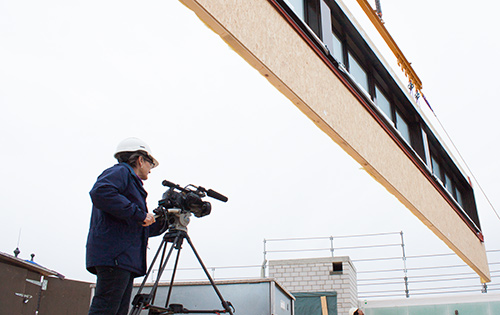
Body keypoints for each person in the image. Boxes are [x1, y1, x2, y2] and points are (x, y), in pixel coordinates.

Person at [86, 137, 165, 315]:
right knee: (106, 309)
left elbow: (136, 226)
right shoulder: (121, 172)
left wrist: (162, 223)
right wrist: (139, 214)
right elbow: (100, 191)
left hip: (122, 257)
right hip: (116, 256)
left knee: (117, 311)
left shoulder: (129, 183)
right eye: (150, 164)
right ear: (140, 160)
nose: (151, 171)